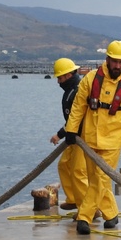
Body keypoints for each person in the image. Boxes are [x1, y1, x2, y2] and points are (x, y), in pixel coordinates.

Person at [64, 40, 121, 235]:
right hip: (89, 139)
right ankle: (111, 214)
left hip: (113, 140)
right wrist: (71, 130)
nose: (118, 66)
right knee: (99, 180)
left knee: (99, 179)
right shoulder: (90, 79)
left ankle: (84, 217)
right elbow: (79, 106)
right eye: (114, 62)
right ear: (107, 60)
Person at [50, 58, 88, 212]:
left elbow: (77, 117)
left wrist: (60, 134)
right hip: (73, 136)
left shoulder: (78, 91)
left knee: (79, 171)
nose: (58, 81)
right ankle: (73, 199)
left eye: (60, 77)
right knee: (64, 165)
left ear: (68, 75)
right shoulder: (70, 91)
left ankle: (88, 208)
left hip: (82, 137)